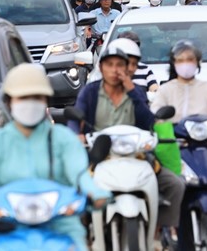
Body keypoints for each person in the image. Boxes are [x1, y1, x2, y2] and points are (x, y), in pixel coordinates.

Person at [0, 64, 111, 250]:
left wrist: (93, 192)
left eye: (36, 98)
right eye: (23, 97)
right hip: (7, 228)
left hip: (61, 227)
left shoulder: (63, 138)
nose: (30, 103)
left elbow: (79, 173)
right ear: (9, 102)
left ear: (46, 101)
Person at [70, 39, 184, 243]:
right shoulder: (90, 92)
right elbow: (75, 117)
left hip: (136, 155)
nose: (115, 70)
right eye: (110, 65)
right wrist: (76, 136)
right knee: (74, 187)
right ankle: (85, 233)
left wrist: (131, 89)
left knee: (175, 184)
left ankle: (159, 232)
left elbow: (149, 122)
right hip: (99, 156)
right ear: (101, 67)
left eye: (120, 65)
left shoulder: (137, 92)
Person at [151, 40, 207, 123]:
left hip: (202, 132)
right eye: (180, 60)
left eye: (190, 59)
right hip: (172, 134)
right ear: (174, 64)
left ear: (197, 62)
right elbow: (155, 111)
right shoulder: (165, 89)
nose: (185, 64)